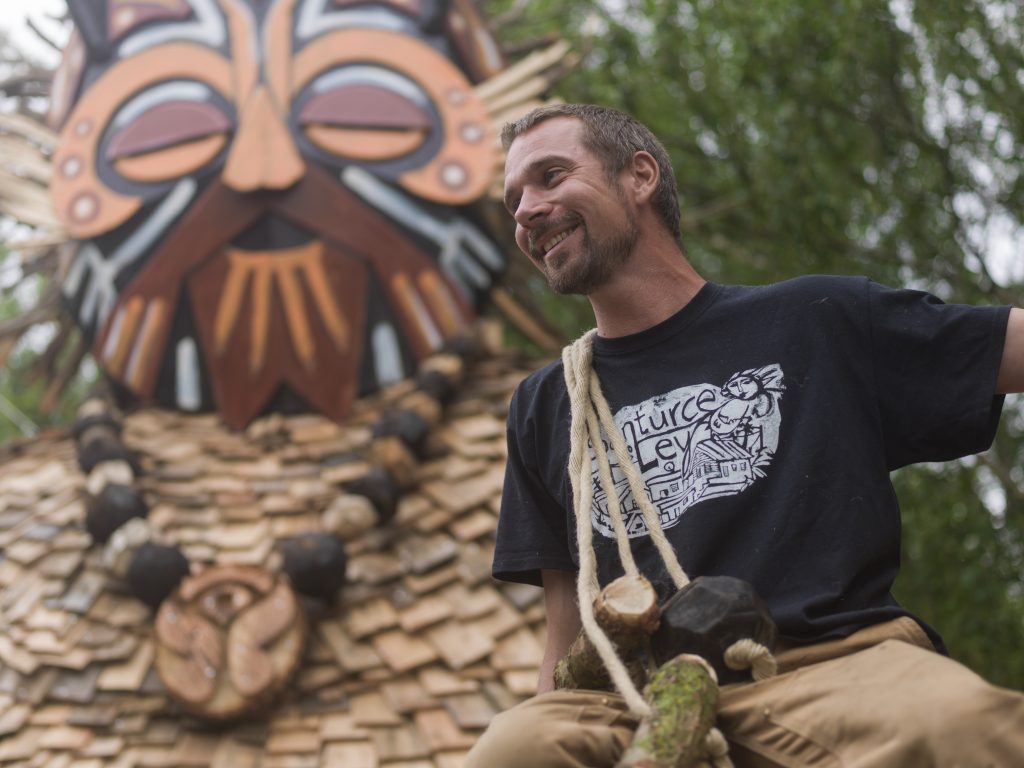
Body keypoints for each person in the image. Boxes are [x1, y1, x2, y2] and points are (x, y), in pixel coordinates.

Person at [466, 103, 1024, 767]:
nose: (527, 209)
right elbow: (566, 632)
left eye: (551, 176)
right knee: (513, 747)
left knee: (960, 724)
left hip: (827, 666)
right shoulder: (547, 403)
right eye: (514, 199)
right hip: (634, 699)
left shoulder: (816, 321)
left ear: (639, 177)